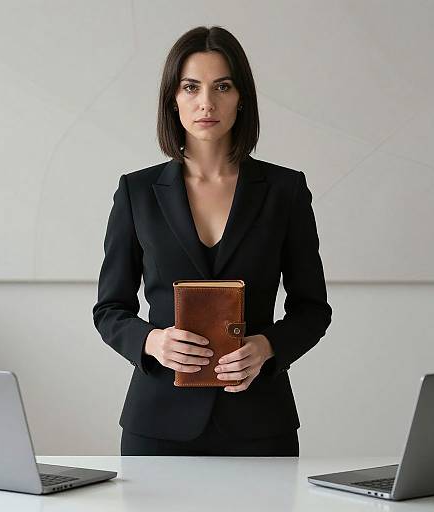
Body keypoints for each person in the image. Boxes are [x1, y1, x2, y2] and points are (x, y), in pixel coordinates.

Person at [92, 26, 332, 456]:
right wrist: (152, 342)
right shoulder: (137, 192)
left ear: (242, 98)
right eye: (191, 87)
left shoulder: (285, 190)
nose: (207, 102)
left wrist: (268, 347)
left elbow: (312, 309)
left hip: (260, 422)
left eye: (222, 86)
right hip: (157, 424)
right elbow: (110, 309)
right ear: (173, 99)